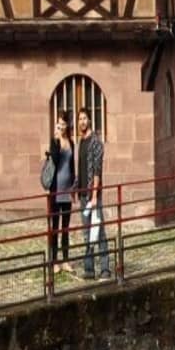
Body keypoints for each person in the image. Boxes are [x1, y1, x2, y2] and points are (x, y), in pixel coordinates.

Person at [76, 106, 107, 279]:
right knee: (87, 232)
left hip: (92, 195)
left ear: (90, 120)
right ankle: (89, 269)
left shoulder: (96, 142)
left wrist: (95, 195)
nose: (82, 121)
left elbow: (97, 171)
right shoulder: (81, 141)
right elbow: (81, 168)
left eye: (84, 118)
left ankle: (105, 268)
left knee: (99, 230)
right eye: (80, 119)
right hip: (82, 194)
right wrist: (75, 187)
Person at [44, 111, 75, 270]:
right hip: (55, 192)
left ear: (67, 125)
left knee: (65, 228)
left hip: (67, 191)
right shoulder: (54, 141)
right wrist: (56, 139)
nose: (61, 126)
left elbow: (72, 166)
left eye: (63, 123)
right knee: (55, 227)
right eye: (59, 124)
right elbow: (54, 160)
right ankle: (54, 261)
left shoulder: (71, 142)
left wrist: (74, 188)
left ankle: (66, 260)